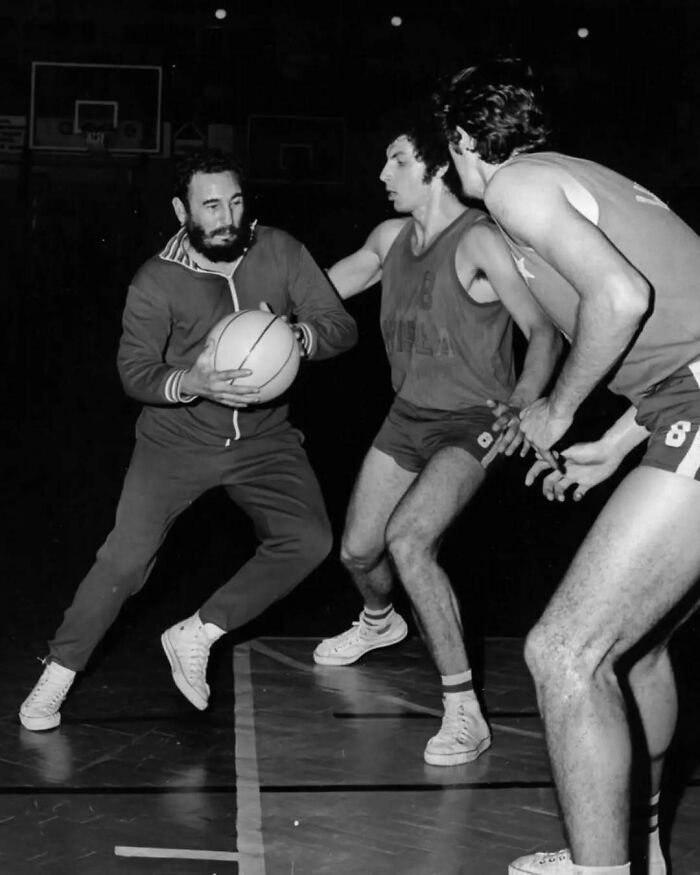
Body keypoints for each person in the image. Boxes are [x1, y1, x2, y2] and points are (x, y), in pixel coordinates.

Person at [436, 57, 700, 874]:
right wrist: (617, 444)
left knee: (563, 652)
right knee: (636, 647)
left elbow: (620, 299)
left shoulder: (516, 186)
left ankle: (600, 869)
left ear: (463, 144)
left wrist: (552, 410)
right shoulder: (579, 178)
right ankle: (638, 846)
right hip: (679, 403)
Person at [20, 148, 357, 731]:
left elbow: (340, 327)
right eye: (210, 205)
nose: (226, 216)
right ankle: (58, 672)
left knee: (309, 539)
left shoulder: (279, 249)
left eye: (235, 200)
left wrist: (295, 337)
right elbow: (135, 372)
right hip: (175, 441)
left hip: (264, 438)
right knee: (124, 562)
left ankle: (198, 632)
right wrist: (191, 382)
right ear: (182, 210)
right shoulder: (155, 280)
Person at [313, 118, 561, 766]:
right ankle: (378, 621)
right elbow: (335, 280)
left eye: (396, 160)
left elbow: (542, 330)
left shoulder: (478, 240)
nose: (381, 174)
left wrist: (524, 406)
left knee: (409, 540)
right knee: (358, 552)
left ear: (436, 168)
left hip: (474, 419)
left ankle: (464, 712)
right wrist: (263, 314)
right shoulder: (391, 237)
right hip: (408, 415)